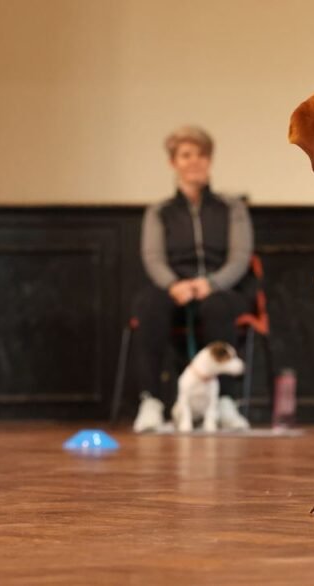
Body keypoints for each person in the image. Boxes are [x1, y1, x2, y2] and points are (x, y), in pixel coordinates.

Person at [132, 125, 254, 433]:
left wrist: (210, 283)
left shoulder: (232, 208)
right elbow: (153, 258)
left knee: (217, 306)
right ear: (174, 162)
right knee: (148, 305)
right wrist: (174, 285)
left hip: (221, 287)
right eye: (186, 155)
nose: (194, 161)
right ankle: (152, 402)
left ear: (210, 160)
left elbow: (240, 257)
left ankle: (226, 401)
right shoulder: (159, 212)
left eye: (201, 155)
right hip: (174, 287)